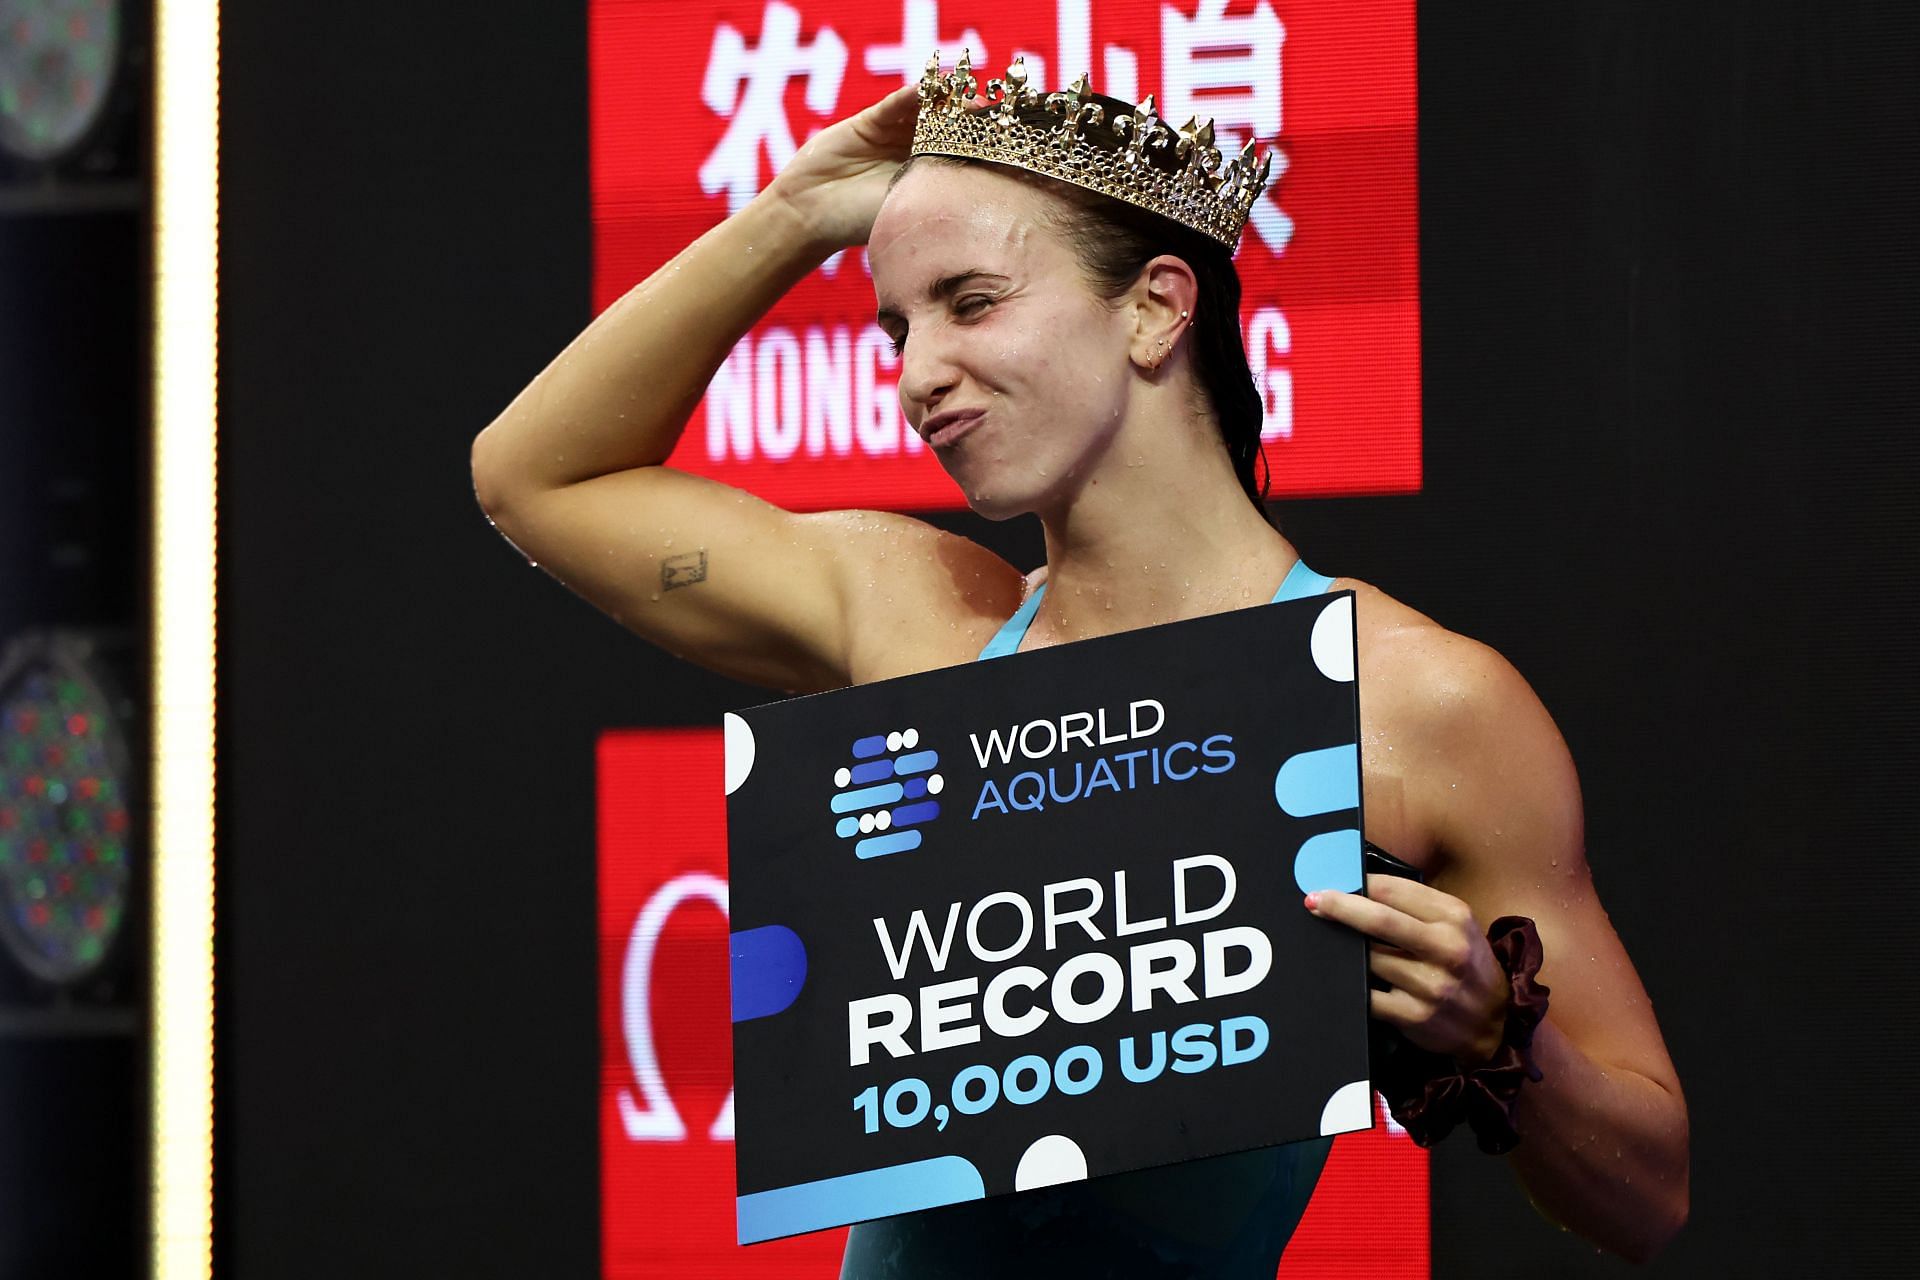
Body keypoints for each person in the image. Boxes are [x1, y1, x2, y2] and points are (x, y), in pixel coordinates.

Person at [471, 59, 1688, 1274]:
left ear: (1158, 307)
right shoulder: (921, 622)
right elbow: (534, 476)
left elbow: (1650, 1194)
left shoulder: (1419, 702)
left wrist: (1500, 1040)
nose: (914, 375)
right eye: (898, 325)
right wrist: (795, 213)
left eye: (972, 300)